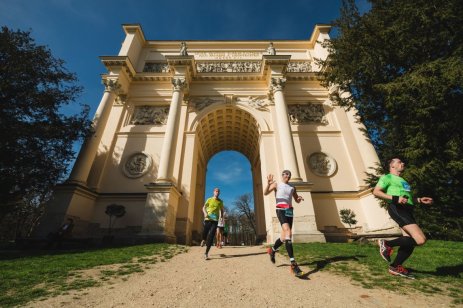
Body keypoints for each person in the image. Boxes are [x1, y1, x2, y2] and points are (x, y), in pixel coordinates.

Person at [373, 157, 434, 279]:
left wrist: (420, 200)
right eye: (399, 162)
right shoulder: (387, 177)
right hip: (397, 208)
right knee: (420, 239)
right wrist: (396, 199)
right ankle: (386, 243)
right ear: (392, 166)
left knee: (408, 242)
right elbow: (376, 192)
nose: (403, 163)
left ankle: (395, 266)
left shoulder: (403, 180)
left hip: (407, 210)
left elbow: (407, 199)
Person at [264, 170, 304, 276]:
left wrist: (299, 198)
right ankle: (293, 264)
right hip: (280, 209)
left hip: (289, 211)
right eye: (285, 174)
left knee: (284, 237)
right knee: (288, 232)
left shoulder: (292, 187)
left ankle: (272, 250)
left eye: (289, 174)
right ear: (282, 176)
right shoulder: (277, 184)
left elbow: (296, 199)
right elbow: (265, 193)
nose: (288, 175)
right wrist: (268, 184)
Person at [201, 188, 224, 260]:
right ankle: (203, 239)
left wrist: (221, 217)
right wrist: (205, 213)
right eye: (216, 191)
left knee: (211, 236)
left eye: (218, 191)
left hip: (215, 220)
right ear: (213, 192)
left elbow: (222, 210)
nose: (217, 192)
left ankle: (206, 253)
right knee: (205, 232)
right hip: (208, 218)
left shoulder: (220, 202)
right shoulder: (209, 199)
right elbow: (204, 207)